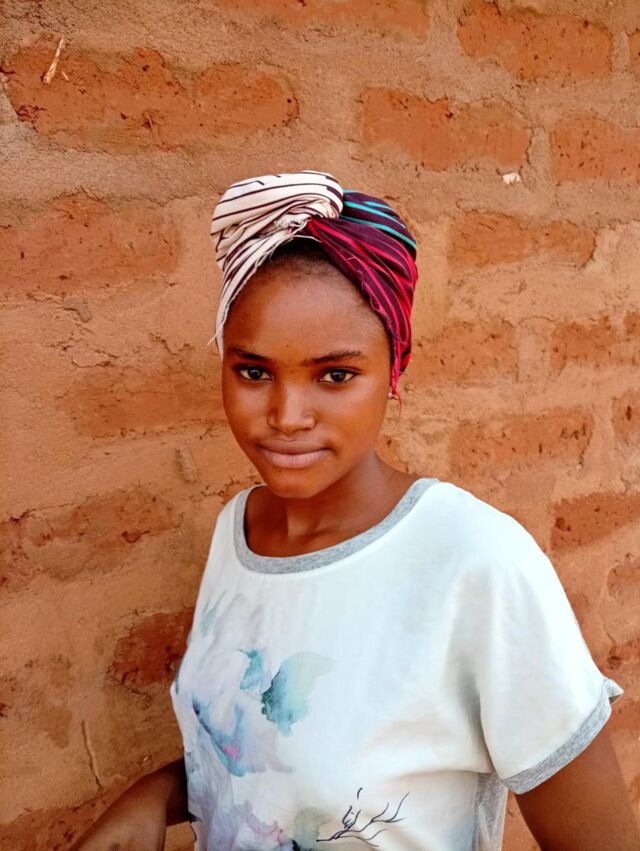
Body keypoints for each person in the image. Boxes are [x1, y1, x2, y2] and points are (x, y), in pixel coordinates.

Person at [74, 170, 640, 851]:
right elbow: (259, 763)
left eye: (335, 375)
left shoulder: (475, 562)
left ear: (394, 368)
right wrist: (154, 796)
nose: (287, 416)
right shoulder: (238, 532)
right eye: (254, 371)